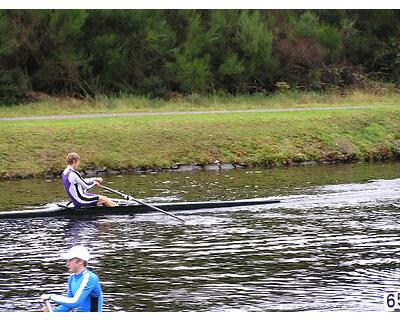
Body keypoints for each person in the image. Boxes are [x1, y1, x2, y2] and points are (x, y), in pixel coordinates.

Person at [41, 245, 103, 312]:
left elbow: (74, 303)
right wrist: (54, 311)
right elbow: (68, 304)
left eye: (70, 260)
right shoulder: (71, 278)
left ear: (80, 261)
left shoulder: (89, 278)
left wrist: (51, 296)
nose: (67, 264)